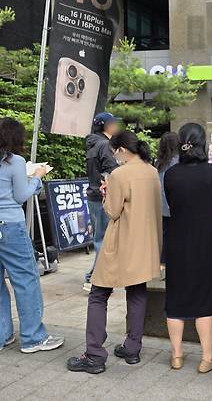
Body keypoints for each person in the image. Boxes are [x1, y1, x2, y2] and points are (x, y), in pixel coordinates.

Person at [67, 131, 162, 374]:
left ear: (120, 149)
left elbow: (112, 212)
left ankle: (94, 355)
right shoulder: (151, 171)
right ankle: (132, 348)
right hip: (145, 242)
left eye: (113, 152)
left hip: (121, 242)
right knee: (137, 291)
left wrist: (106, 191)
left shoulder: (120, 174)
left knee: (98, 294)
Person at [164, 123, 212, 373]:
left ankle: (177, 356)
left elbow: (172, 204)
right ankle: (206, 358)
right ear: (203, 144)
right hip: (206, 239)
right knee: (204, 297)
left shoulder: (171, 174)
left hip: (177, 238)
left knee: (176, 297)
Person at [0, 118, 65, 354]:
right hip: (10, 227)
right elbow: (20, 196)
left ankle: (3, 334)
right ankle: (33, 337)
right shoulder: (15, 161)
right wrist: (37, 177)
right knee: (26, 280)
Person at [83, 112, 119, 291]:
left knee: (100, 238)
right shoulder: (105, 144)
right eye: (114, 123)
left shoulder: (92, 143)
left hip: (93, 195)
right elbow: (112, 171)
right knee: (104, 240)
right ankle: (94, 279)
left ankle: (95, 276)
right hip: (103, 196)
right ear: (106, 126)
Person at [156, 132, 179, 269]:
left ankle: (162, 262)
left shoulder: (159, 162)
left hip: (161, 205)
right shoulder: (178, 161)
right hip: (174, 204)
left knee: (164, 234)